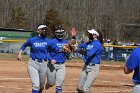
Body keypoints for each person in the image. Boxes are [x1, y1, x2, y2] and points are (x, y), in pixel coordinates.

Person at [17, 25, 56, 93]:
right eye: (43, 29)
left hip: (43, 64)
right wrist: (19, 53)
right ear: (38, 30)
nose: (45, 31)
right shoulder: (32, 40)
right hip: (33, 63)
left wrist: (63, 49)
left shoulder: (48, 41)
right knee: (36, 85)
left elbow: (55, 49)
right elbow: (24, 45)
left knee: (41, 86)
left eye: (45, 29)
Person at [71, 29, 103, 93]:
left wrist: (78, 50)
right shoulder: (89, 43)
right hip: (86, 66)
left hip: (93, 68)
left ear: (95, 35)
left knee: (85, 90)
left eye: (91, 34)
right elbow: (77, 45)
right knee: (79, 88)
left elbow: (89, 54)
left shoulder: (97, 44)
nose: (89, 35)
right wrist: (74, 37)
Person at [45, 25, 69, 93]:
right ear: (55, 33)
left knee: (59, 84)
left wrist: (69, 54)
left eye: (62, 32)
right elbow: (45, 52)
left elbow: (67, 54)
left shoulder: (66, 42)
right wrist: (50, 59)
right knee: (51, 83)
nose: (60, 34)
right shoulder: (51, 42)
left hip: (62, 65)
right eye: (58, 32)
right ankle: (48, 83)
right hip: (52, 65)